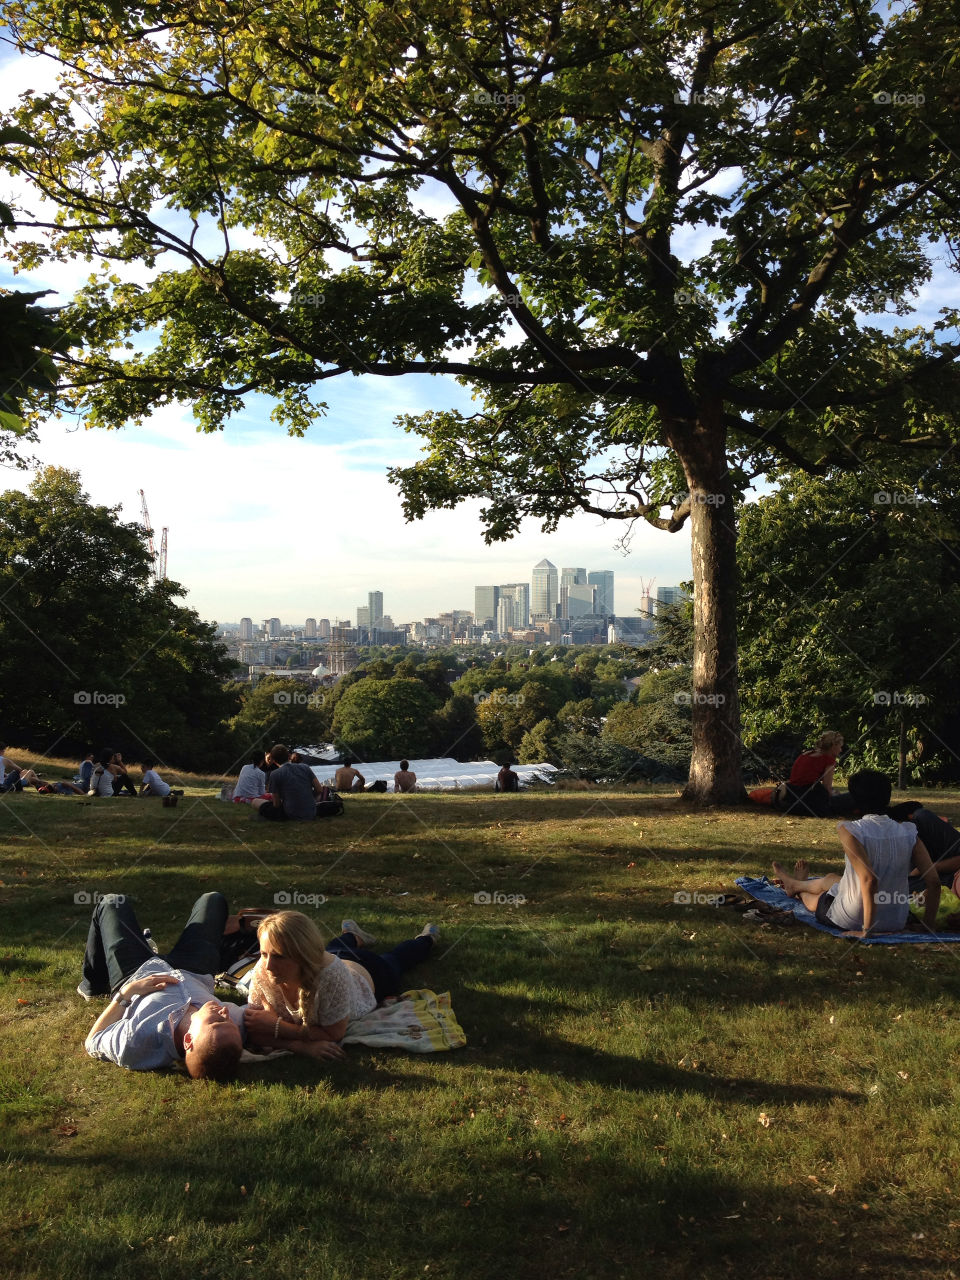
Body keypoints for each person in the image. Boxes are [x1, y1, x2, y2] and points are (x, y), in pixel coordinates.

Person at [78, 891, 345, 1077]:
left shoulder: (137, 1043)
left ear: (188, 1039)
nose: (226, 1013)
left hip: (136, 973)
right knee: (213, 900)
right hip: (196, 971)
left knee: (112, 902)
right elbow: (261, 1030)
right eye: (229, 1023)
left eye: (217, 1022)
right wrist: (302, 1046)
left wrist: (125, 994)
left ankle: (92, 984)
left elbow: (93, 1042)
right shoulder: (228, 1033)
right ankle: (240, 927)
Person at [773, 770, 941, 936]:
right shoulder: (909, 832)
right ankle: (795, 884)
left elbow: (870, 880)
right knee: (832, 879)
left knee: (822, 900)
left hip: (854, 918)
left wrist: (866, 931)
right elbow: (933, 882)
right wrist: (928, 925)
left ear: (854, 801)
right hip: (896, 919)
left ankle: (799, 890)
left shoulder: (850, 829)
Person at [244, 911, 440, 1047]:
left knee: (396, 960)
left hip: (369, 971)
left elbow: (333, 1034)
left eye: (279, 956)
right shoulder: (264, 970)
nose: (268, 965)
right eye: (263, 954)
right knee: (335, 947)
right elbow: (255, 1029)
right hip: (334, 956)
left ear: (301, 955)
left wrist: (277, 1027)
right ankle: (353, 935)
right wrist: (301, 1046)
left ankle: (426, 939)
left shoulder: (330, 975)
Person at [776, 731, 852, 816]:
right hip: (808, 795)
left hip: (791, 792)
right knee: (847, 797)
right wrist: (835, 794)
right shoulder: (829, 760)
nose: (841, 750)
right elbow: (827, 787)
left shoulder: (807, 753)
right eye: (840, 747)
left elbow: (796, 778)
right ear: (833, 746)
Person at [251, 743, 326, 821]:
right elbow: (319, 789)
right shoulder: (305, 767)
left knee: (255, 801)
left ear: (274, 760)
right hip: (311, 812)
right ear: (289, 756)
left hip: (290, 814)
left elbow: (276, 804)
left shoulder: (275, 774)